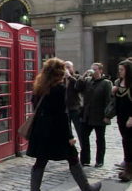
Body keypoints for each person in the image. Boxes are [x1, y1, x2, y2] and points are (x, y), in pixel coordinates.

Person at [27, 58, 101, 191]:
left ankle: (34, 190)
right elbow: (62, 115)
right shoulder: (59, 89)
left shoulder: (39, 86)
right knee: (73, 158)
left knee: (41, 160)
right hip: (57, 131)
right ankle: (87, 188)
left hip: (41, 130)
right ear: (58, 72)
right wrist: (70, 136)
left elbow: (35, 108)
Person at [75, 63, 112, 168]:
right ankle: (85, 159)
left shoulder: (106, 83)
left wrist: (107, 115)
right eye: (92, 69)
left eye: (95, 69)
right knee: (84, 137)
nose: (93, 71)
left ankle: (99, 160)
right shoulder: (87, 81)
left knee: (100, 139)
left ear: (100, 70)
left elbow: (109, 101)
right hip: (87, 115)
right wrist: (83, 76)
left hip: (99, 115)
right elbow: (77, 87)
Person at [112, 60, 132, 181]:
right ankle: (127, 167)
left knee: (130, 143)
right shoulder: (119, 83)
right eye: (119, 70)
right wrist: (113, 92)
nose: (119, 72)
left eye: (122, 70)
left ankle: (129, 170)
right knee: (125, 142)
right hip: (121, 117)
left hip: (130, 118)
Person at [64, 61, 83, 146]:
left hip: (75, 108)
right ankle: (69, 151)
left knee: (80, 130)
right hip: (64, 109)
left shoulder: (77, 77)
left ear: (72, 68)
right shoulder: (60, 79)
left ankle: (84, 149)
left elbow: (79, 87)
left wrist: (70, 77)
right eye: (65, 67)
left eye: (68, 67)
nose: (66, 69)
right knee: (67, 132)